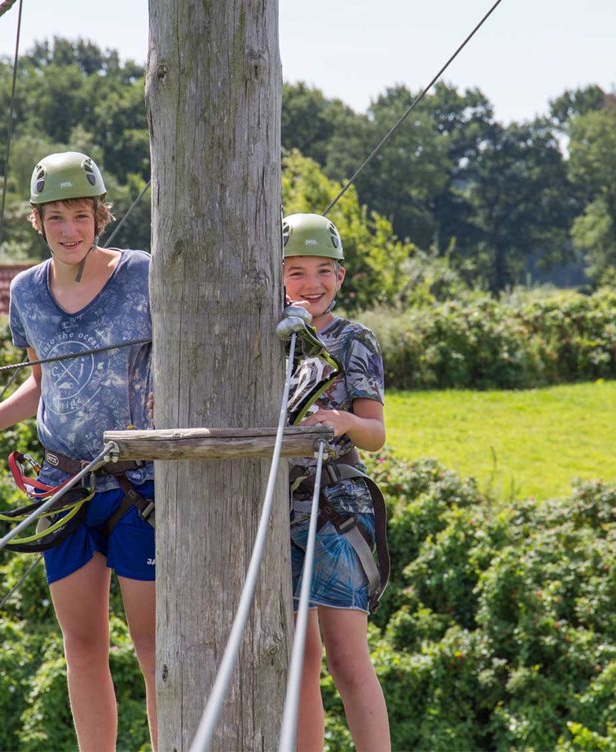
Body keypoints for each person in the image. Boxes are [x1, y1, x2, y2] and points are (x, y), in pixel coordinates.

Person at [0, 151, 157, 751]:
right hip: (63, 486)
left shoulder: (143, 274)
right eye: (55, 217)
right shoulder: (26, 292)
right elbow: (41, 383)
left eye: (80, 215)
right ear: (37, 221)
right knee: (82, 646)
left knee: (154, 644)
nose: (68, 229)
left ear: (100, 215)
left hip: (142, 484)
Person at [282, 213, 391, 751]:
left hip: (336, 505)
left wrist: (346, 421)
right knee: (297, 660)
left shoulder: (354, 340)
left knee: (347, 657)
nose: (312, 284)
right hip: (277, 511)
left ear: (342, 277)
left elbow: (375, 433)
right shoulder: (265, 341)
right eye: (296, 272)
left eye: (324, 271)